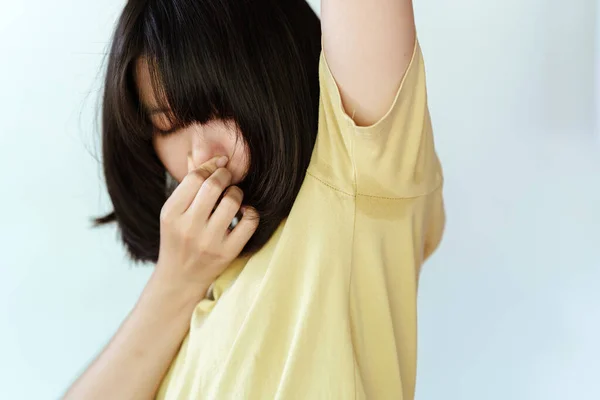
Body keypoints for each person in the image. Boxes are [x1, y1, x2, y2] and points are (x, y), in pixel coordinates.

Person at [64, 0, 445, 398]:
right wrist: (177, 281)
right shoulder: (203, 288)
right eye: (167, 124)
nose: (200, 155)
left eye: (219, 111)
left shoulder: (354, 173)